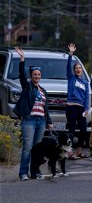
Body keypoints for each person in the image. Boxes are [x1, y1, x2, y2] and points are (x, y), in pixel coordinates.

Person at [13, 46, 53, 181]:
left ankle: (35, 172)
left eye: (38, 75)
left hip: (41, 121)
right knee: (27, 148)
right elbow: (21, 75)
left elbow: (45, 108)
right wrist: (22, 58)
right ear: (31, 76)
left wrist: (49, 122)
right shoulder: (27, 86)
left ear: (41, 76)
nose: (37, 76)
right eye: (34, 74)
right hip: (29, 120)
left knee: (37, 149)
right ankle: (23, 173)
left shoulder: (43, 90)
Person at [65, 43, 90, 159]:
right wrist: (71, 54)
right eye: (76, 68)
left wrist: (86, 109)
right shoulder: (71, 78)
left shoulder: (85, 82)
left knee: (84, 131)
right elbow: (68, 67)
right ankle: (69, 152)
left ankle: (79, 151)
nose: (78, 69)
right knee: (72, 130)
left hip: (81, 108)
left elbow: (86, 97)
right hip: (71, 107)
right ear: (74, 70)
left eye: (80, 68)